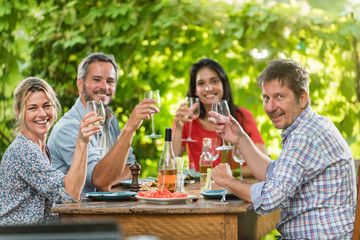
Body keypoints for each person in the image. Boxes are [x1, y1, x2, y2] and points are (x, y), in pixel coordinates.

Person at [210, 59, 357, 239]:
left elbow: (269, 199)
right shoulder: (313, 125)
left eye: (280, 96)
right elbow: (274, 175)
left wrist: (227, 181)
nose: (271, 107)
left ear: (302, 98)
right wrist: (240, 138)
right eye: (266, 98)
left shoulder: (303, 136)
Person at [48, 52, 158, 193]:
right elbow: (99, 179)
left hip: (105, 208)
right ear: (81, 84)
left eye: (110, 81)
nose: (104, 86)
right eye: (97, 79)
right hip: (77, 213)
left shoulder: (109, 119)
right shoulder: (68, 128)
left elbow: (131, 168)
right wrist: (130, 128)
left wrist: (108, 181)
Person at [0, 77, 100, 225]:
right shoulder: (23, 150)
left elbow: (65, 194)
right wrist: (82, 141)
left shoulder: (42, 150)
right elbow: (70, 194)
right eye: (32, 108)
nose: (42, 114)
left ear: (54, 107)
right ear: (18, 112)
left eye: (47, 106)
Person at [172, 58, 266, 172]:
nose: (208, 88)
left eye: (214, 81)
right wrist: (178, 127)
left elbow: (264, 164)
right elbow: (172, 165)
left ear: (223, 84)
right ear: (195, 90)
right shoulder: (188, 120)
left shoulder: (241, 116)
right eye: (201, 83)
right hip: (202, 189)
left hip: (239, 186)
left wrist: (224, 176)